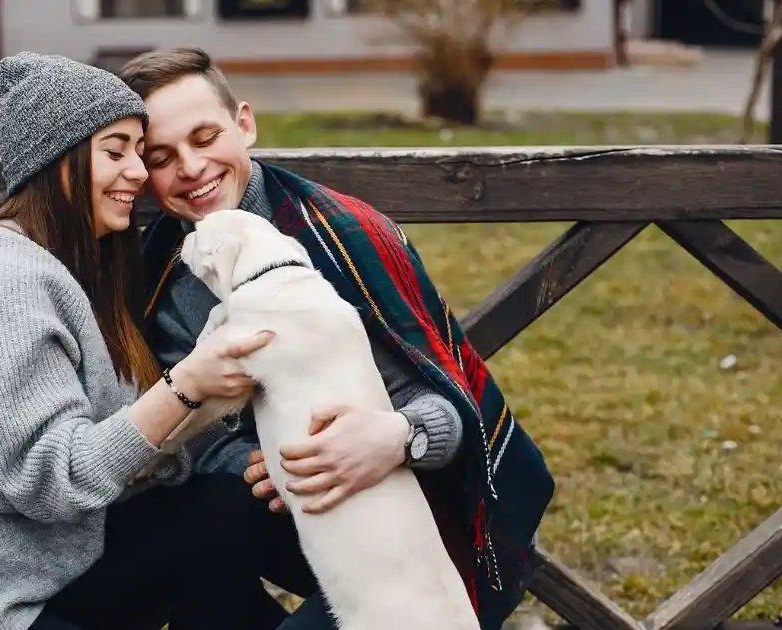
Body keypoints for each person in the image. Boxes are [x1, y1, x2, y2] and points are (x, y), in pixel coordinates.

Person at [119, 48, 557, 630]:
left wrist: (396, 437)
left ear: (244, 124)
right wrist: (259, 461)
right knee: (175, 529)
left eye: (206, 137)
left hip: (429, 530)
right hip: (297, 514)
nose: (192, 167)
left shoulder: (342, 238)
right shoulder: (162, 277)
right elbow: (183, 421)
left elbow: (454, 405)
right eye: (162, 157)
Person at [0, 51, 283, 630]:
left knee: (220, 519)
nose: (138, 173)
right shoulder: (2, 281)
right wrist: (185, 387)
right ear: (59, 162)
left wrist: (224, 422)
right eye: (116, 151)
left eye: (137, 151)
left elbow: (134, 461)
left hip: (64, 558)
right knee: (210, 530)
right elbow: (55, 482)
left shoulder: (69, 268)